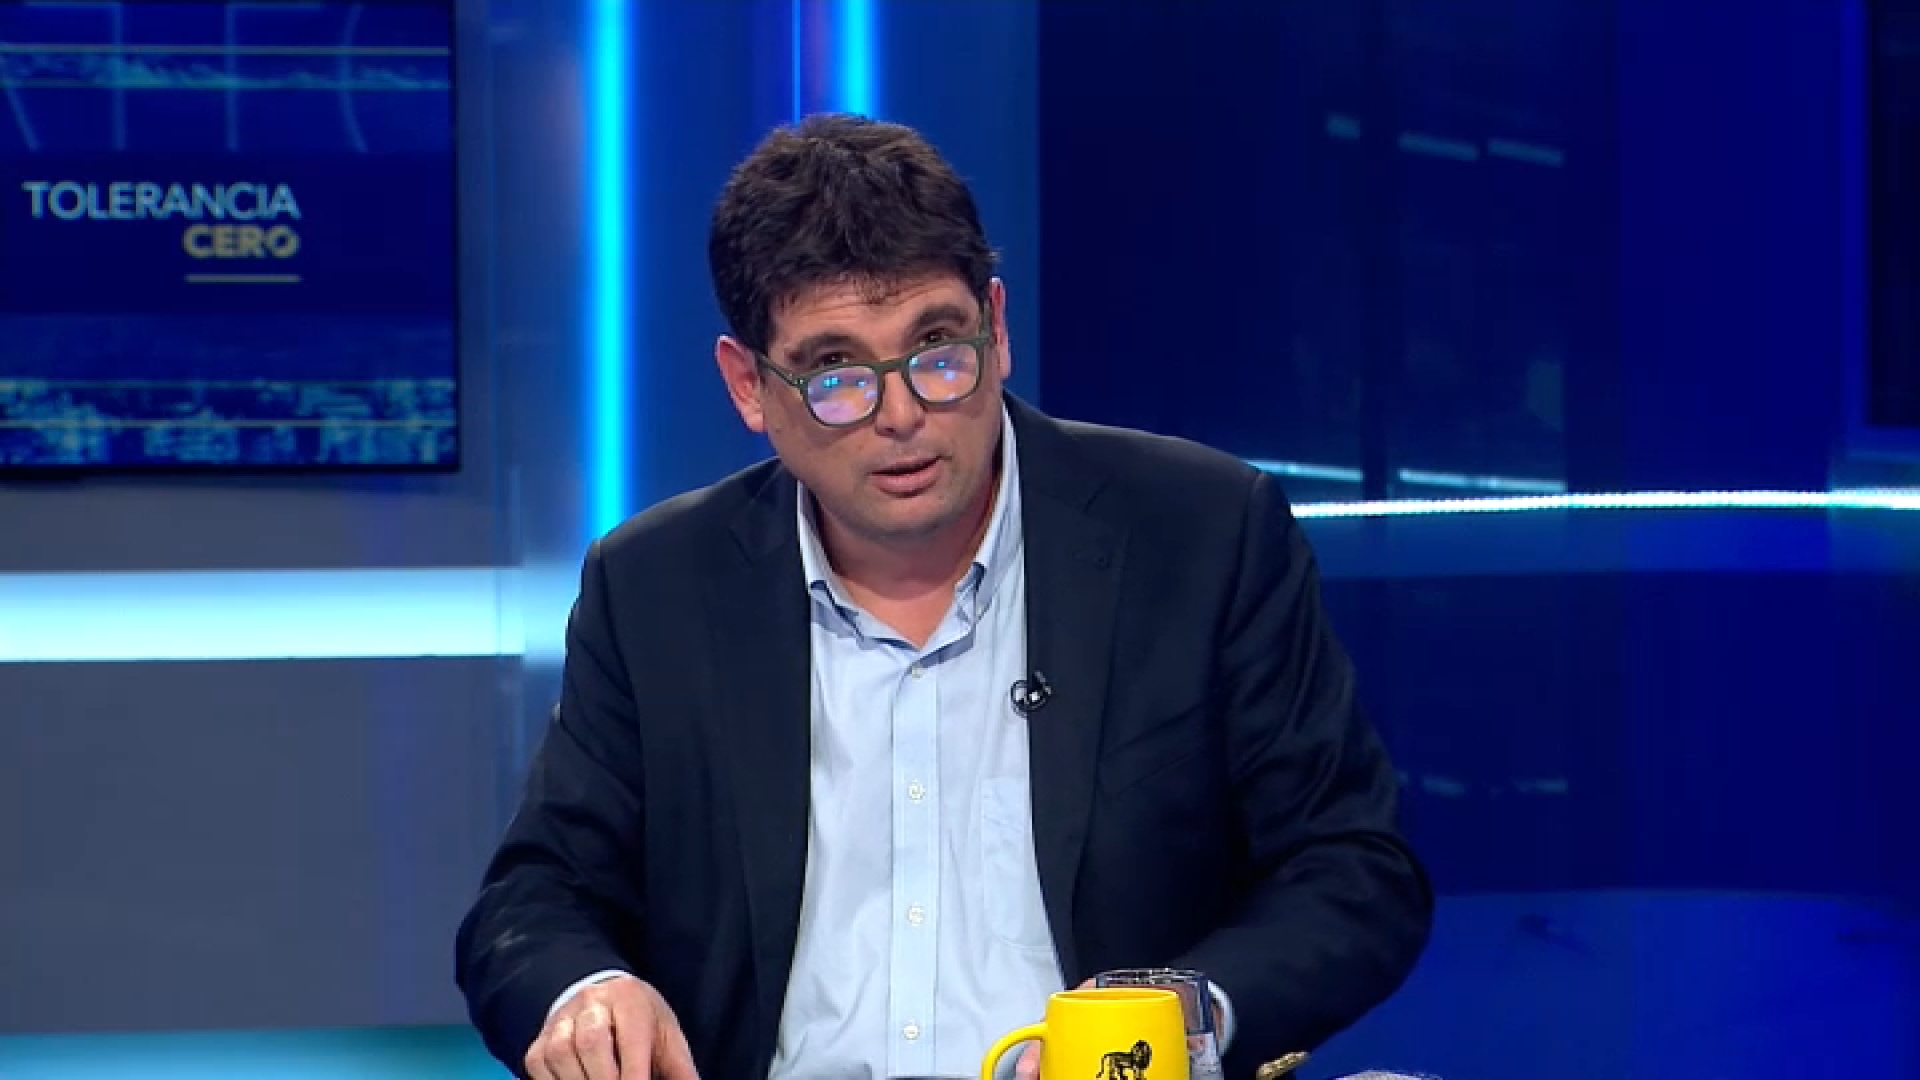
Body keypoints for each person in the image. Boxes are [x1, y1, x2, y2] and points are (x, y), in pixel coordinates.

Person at [455, 113, 1432, 1080]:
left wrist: (1182, 1015)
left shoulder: (1199, 534)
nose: (902, 414)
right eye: (836, 371)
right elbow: (536, 897)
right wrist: (588, 993)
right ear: (749, 386)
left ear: (996, 328)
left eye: (936, 349)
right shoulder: (657, 587)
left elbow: (1352, 870)